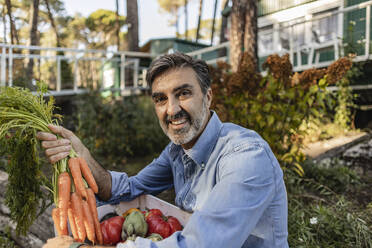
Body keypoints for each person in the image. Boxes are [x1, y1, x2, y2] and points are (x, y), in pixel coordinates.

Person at [38, 52, 289, 248]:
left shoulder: (245, 156)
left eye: (183, 93)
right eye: (161, 99)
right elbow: (128, 189)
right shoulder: (177, 152)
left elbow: (201, 245)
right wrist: (83, 155)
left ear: (208, 97)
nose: (172, 110)